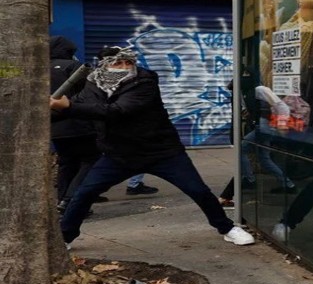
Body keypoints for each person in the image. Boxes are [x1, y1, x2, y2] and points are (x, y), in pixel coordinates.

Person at [50, 46, 254, 247]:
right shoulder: (93, 86)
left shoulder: (144, 82)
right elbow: (73, 108)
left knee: (198, 190)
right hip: (119, 155)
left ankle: (227, 228)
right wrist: (49, 109)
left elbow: (119, 110)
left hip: (162, 152)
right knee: (84, 194)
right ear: (104, 67)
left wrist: (69, 106)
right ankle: (65, 237)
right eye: (117, 63)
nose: (124, 67)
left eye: (128, 62)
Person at [50, 36, 104, 212]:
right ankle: (71, 200)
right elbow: (91, 94)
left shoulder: (38, 68)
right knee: (91, 160)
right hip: (80, 124)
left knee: (67, 163)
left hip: (55, 127)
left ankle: (62, 202)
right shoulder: (74, 68)